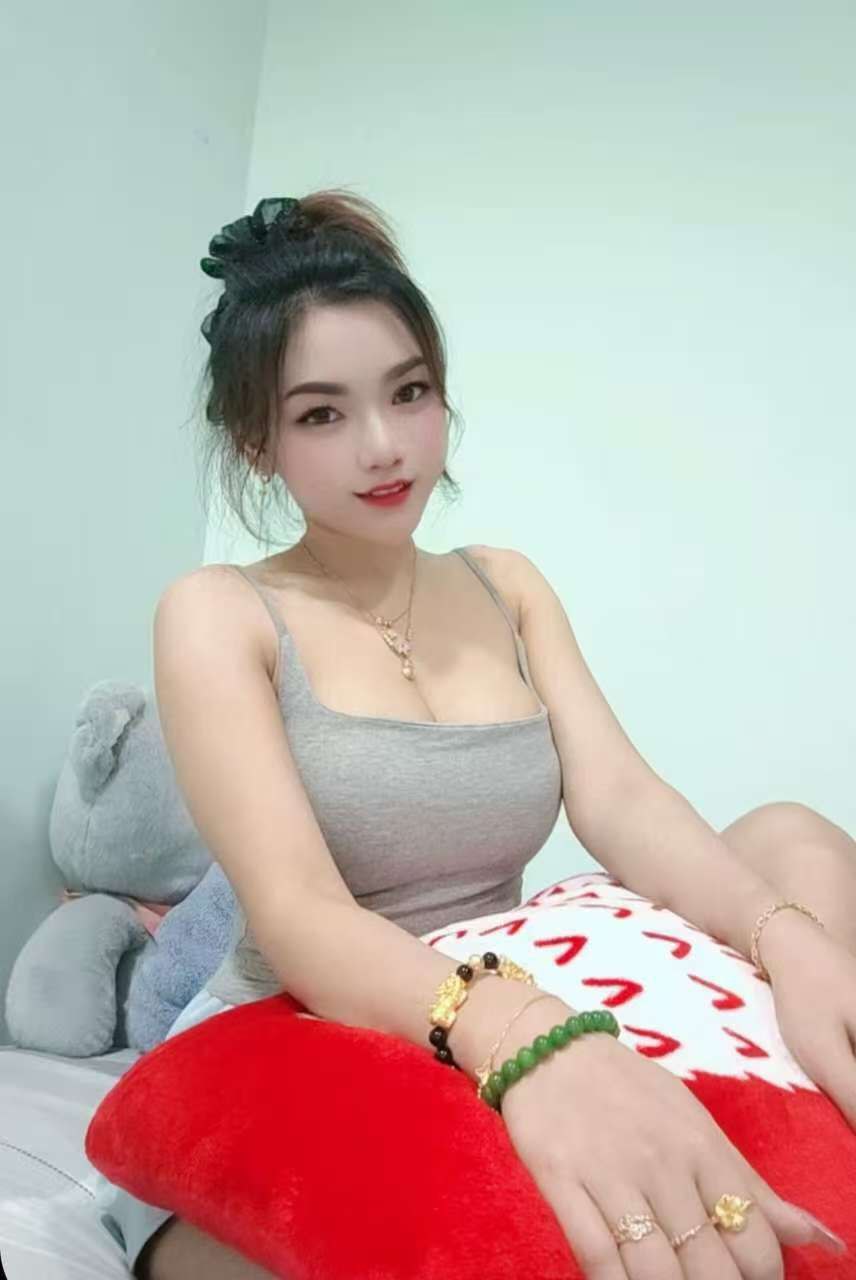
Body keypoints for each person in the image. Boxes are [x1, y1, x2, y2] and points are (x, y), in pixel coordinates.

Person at [92, 190, 854, 1279]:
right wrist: (526, 1034)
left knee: (792, 842)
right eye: (321, 415)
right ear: (256, 442)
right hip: (310, 1031)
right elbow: (299, 914)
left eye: (409, 393)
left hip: (510, 964)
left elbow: (621, 800)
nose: (382, 445)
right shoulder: (218, 613)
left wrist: (785, 936)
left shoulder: (507, 584)